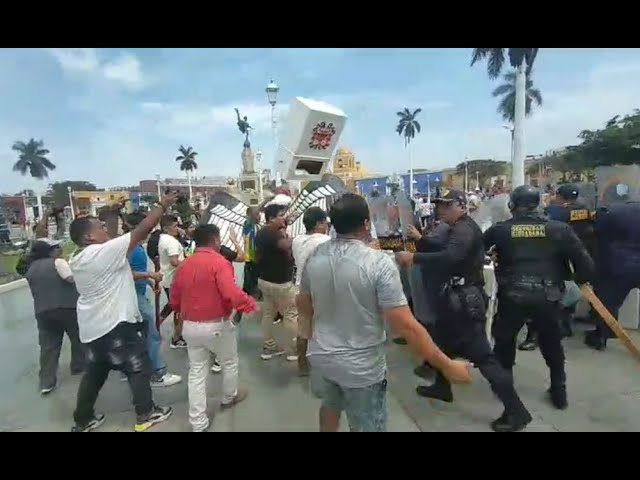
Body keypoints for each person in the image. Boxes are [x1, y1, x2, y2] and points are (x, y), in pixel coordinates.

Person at [297, 194, 471, 433]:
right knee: (368, 423)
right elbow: (406, 326)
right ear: (366, 224)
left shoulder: (315, 257)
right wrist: (447, 365)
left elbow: (304, 305)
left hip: (322, 357)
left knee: (330, 406)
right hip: (361, 368)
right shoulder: (377, 263)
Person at [397, 189, 531, 433]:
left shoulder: (464, 229)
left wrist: (414, 258)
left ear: (461, 206)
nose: (441, 210)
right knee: (440, 344)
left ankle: (516, 411)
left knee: (483, 357)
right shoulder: (457, 228)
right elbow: (441, 248)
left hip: (464, 301)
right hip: (454, 299)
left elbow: (450, 256)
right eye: (440, 206)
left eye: (447, 206)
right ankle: (442, 386)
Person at [68, 194, 178, 432]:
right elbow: (142, 230)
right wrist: (162, 205)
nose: (105, 230)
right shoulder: (101, 253)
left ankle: (83, 419)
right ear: (89, 237)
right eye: (100, 228)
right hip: (115, 325)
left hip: (91, 329)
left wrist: (112, 215)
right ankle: (145, 414)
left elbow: (114, 239)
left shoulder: (78, 257)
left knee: (94, 376)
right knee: (138, 367)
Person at [484, 185, 594, 411]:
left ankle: (504, 388)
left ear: (512, 205)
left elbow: (477, 250)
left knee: (504, 341)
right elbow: (585, 264)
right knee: (551, 342)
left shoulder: (501, 230)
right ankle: (559, 389)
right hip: (548, 295)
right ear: (539, 203)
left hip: (512, 296)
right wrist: (575, 279)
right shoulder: (559, 229)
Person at [170, 224, 258, 432]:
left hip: (190, 325)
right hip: (216, 324)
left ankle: (198, 422)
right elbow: (230, 292)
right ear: (216, 240)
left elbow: (175, 296)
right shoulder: (219, 262)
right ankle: (229, 397)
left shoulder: (185, 264)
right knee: (229, 361)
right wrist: (249, 304)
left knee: (197, 372)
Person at [124, 212, 182, 388]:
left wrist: (149, 281)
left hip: (138, 293)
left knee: (138, 332)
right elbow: (122, 273)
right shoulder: (131, 248)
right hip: (134, 296)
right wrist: (149, 274)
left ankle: (132, 367)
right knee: (152, 333)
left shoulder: (137, 246)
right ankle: (157, 373)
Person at [24, 238, 85, 395]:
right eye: (57, 247)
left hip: (42, 311)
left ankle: (47, 382)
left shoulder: (31, 268)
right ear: (50, 251)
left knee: (48, 346)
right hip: (66, 307)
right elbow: (71, 278)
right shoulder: (58, 262)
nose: (60, 249)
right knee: (77, 337)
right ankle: (79, 366)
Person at [585, 200, 640, 350]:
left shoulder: (614, 211)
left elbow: (597, 231)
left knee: (608, 302)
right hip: (630, 264)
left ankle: (601, 337)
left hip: (619, 264)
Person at [255, 204, 298, 362]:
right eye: (281, 215)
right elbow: (286, 246)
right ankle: (295, 350)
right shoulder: (272, 233)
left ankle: (269, 346)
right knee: (291, 314)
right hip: (280, 282)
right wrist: (297, 239)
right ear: (271, 218)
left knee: (268, 313)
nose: (284, 217)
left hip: (264, 279)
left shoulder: (262, 232)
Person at [291, 207, 330, 376]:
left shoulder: (297, 240)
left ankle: (302, 366)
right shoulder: (325, 240)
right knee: (325, 327)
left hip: (300, 288)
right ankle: (325, 364)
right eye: (325, 223)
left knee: (303, 328)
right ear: (318, 224)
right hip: (319, 290)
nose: (327, 226)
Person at [158, 215, 187, 348]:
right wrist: (190, 264)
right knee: (178, 310)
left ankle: (156, 327)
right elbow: (174, 261)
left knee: (171, 307)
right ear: (166, 228)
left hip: (169, 279)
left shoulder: (164, 239)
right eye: (174, 226)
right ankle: (177, 338)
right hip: (174, 280)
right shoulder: (171, 242)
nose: (177, 229)